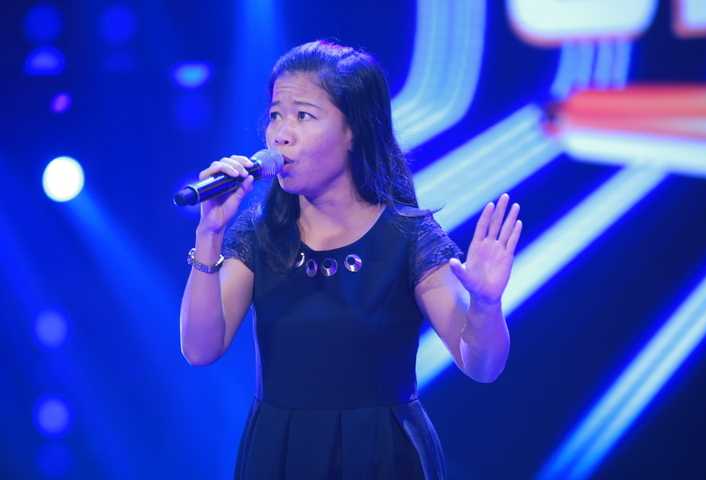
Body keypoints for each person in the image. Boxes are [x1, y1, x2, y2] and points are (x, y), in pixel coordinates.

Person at [179, 40, 522, 480]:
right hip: (280, 453)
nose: (281, 133)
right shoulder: (259, 234)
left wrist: (487, 305)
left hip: (383, 455)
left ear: (353, 131)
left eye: (303, 116)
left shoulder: (408, 237)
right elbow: (199, 349)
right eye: (276, 115)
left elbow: (482, 365)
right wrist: (209, 233)